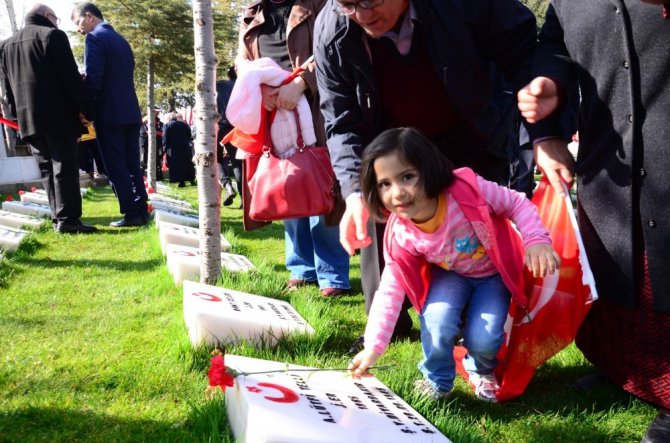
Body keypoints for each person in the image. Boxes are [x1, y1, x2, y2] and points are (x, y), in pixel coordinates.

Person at [314, 0, 537, 345]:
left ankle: (474, 318)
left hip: (467, 129)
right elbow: (341, 123)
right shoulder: (332, 31)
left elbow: (522, 45)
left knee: (470, 228)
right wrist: (355, 194)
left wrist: (536, 107)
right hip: (387, 141)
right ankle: (385, 323)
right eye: (348, 5)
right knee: (378, 213)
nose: (362, 14)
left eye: (370, 1)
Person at [517, 1, 670, 440]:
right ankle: (625, 371)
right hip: (611, 157)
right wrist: (550, 84)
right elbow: (556, 45)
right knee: (619, 267)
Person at [347, 127, 560, 402]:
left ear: (429, 168)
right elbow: (389, 291)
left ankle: (481, 369)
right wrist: (373, 346)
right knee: (436, 321)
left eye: (407, 177)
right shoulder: (401, 233)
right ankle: (437, 380)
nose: (397, 192)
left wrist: (536, 240)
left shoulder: (466, 190)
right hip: (452, 275)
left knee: (485, 338)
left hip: (492, 274)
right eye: (384, 184)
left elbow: (516, 203)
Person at [236, 0, 350, 297]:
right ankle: (301, 268)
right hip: (273, 109)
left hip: (316, 105)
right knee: (286, 182)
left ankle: (332, 274)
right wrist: (261, 89)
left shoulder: (318, 4)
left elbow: (334, 46)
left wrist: (301, 83)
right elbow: (241, 61)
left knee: (322, 184)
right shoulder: (252, 13)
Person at [0, 4, 96, 234]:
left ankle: (58, 218)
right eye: (56, 18)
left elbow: (6, 88)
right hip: (58, 115)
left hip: (28, 120)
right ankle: (69, 220)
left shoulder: (5, 45)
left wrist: (15, 117)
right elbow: (70, 76)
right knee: (64, 167)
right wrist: (86, 108)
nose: (57, 23)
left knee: (46, 170)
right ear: (46, 16)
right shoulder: (52, 35)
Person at [71, 2, 148, 227]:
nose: (78, 29)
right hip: (130, 112)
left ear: (89, 16)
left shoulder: (95, 39)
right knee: (132, 163)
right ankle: (141, 209)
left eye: (78, 22)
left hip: (110, 114)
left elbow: (95, 80)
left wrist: (86, 111)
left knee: (115, 165)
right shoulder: (122, 41)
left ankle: (132, 213)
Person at [216, 67, 242, 207]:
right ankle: (244, 199)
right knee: (238, 163)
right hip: (240, 127)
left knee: (217, 159)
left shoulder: (220, 85)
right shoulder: (244, 85)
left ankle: (227, 185)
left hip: (222, 126)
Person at [162, 112, 195, 187]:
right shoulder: (183, 124)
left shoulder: (167, 125)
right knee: (187, 163)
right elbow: (189, 135)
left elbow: (165, 138)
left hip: (173, 148)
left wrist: (165, 146)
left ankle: (181, 181)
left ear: (169, 118)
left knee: (176, 165)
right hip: (185, 147)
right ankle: (191, 179)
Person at [139, 109, 164, 181]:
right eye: (156, 111)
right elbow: (149, 131)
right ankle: (141, 177)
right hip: (145, 143)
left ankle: (158, 176)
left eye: (158, 111)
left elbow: (162, 132)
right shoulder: (146, 120)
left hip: (156, 143)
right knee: (143, 160)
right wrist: (158, 133)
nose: (158, 113)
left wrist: (159, 133)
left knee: (157, 159)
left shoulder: (158, 121)